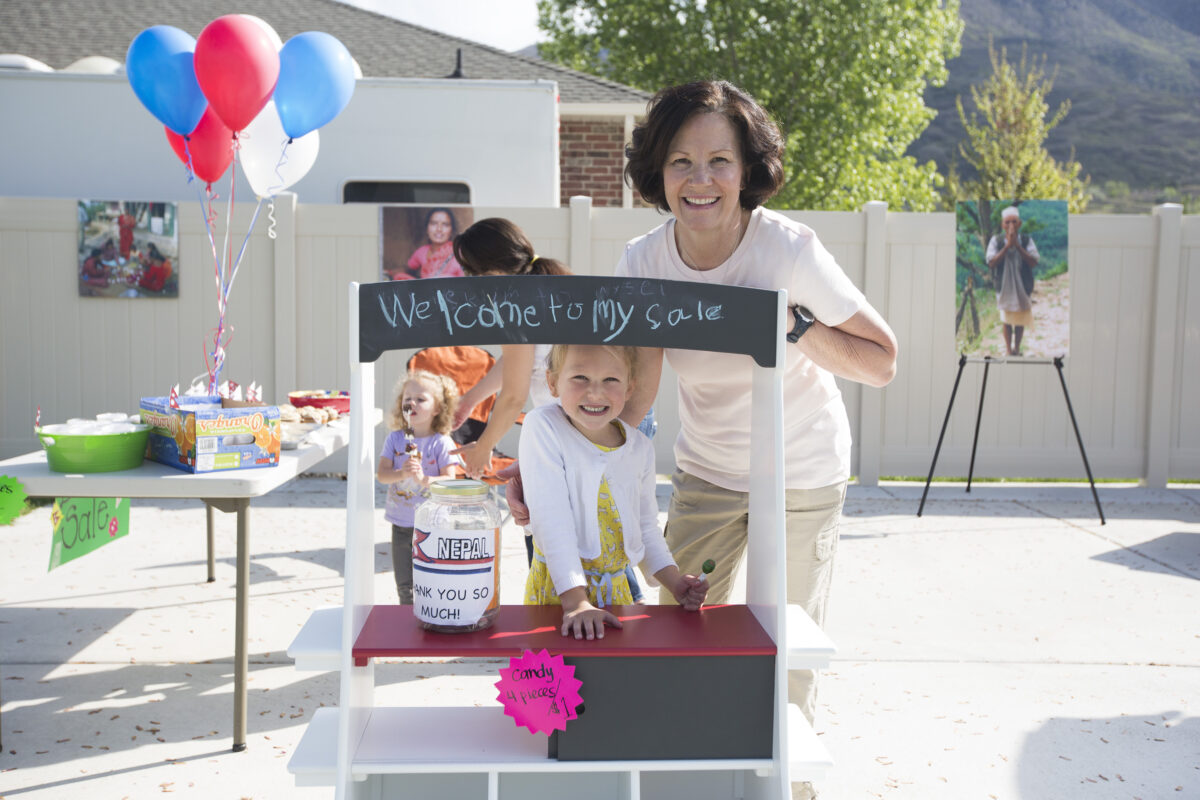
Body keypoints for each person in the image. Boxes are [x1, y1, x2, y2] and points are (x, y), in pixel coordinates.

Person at [521, 343, 708, 640]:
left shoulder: (640, 448)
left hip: (617, 596)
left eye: (611, 380)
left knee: (611, 683)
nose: (595, 393)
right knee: (554, 684)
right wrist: (576, 602)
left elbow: (645, 527)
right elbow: (550, 518)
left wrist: (675, 582)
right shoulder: (543, 426)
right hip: (559, 595)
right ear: (552, 382)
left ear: (630, 388)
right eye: (580, 377)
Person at [449, 217, 571, 479]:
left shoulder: (513, 304)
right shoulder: (548, 284)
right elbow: (523, 358)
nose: (470, 279)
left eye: (471, 270)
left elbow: (515, 396)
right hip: (603, 424)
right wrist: (470, 400)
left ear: (488, 267)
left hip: (581, 432)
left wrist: (484, 447)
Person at [376, 370, 462, 604]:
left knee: (433, 580)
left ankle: (433, 615)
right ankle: (407, 621)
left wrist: (425, 480)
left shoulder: (440, 442)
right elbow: (382, 475)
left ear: (437, 409)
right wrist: (401, 473)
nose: (411, 403)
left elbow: (450, 480)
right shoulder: (395, 439)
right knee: (405, 584)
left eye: (420, 399)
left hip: (433, 524)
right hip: (401, 523)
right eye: (407, 400)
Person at [986, 205, 1039, 356]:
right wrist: (1007, 247)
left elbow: (1034, 261)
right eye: (1007, 222)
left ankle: (1017, 348)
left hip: (1023, 285)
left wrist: (1017, 246)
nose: (1011, 225)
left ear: (1019, 223)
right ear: (1002, 225)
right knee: (1007, 318)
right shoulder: (996, 241)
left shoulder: (1026, 240)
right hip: (1004, 285)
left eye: (1014, 222)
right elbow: (991, 262)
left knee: (1021, 316)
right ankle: (1009, 350)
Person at [393, 207, 465, 281]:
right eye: (434, 223)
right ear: (427, 228)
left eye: (445, 224)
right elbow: (407, 269)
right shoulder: (421, 252)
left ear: (451, 230)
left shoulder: (458, 253)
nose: (439, 229)